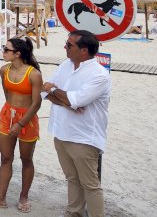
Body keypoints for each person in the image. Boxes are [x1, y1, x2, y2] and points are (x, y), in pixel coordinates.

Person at [42, 30, 111, 217]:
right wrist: (66, 102)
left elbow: (76, 99)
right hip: (61, 132)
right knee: (72, 179)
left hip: (84, 137)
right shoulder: (66, 65)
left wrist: (56, 91)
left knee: (90, 184)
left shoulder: (99, 75)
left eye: (69, 45)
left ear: (84, 50)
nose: (65, 47)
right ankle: (74, 213)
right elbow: (45, 91)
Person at [0, 37, 43, 212]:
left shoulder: (33, 74)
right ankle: (0, 197)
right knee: (6, 158)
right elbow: (7, 95)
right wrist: (11, 117)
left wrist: (21, 123)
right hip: (8, 115)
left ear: (18, 53)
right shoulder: (4, 70)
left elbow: (36, 103)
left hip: (28, 119)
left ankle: (24, 196)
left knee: (26, 159)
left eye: (6, 49)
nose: (3, 51)